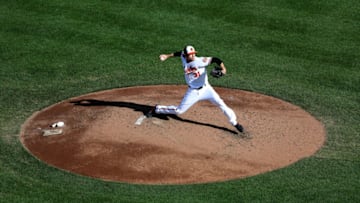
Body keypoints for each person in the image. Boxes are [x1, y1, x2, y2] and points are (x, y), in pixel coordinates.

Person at [148, 45, 245, 135]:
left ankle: (234, 123)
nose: (193, 55)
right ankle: (157, 109)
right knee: (179, 111)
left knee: (221, 103)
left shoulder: (200, 60)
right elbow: (178, 53)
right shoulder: (183, 57)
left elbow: (216, 59)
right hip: (193, 92)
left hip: (207, 88)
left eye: (194, 53)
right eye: (190, 54)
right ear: (186, 55)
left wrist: (223, 69)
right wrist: (167, 56)